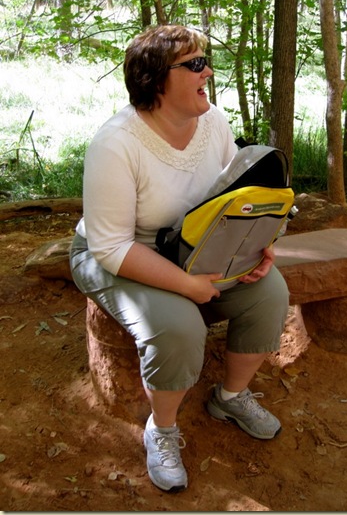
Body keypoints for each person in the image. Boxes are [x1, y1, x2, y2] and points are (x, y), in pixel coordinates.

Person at [70, 24, 290, 493]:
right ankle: (162, 429)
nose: (208, 72)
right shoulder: (116, 144)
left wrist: (259, 241)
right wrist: (187, 286)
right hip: (118, 253)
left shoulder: (214, 122)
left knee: (269, 293)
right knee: (179, 325)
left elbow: (234, 199)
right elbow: (110, 246)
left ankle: (230, 397)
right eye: (195, 64)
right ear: (155, 80)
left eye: (206, 62)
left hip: (192, 243)